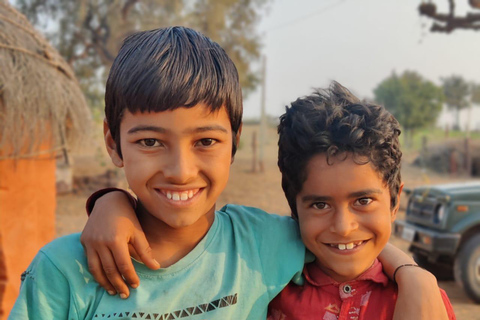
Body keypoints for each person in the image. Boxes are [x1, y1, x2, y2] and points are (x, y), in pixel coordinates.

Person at [11, 26, 448, 319]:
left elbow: (347, 233)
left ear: (234, 140)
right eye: (149, 142)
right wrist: (110, 201)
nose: (181, 171)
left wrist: (414, 276)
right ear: (113, 141)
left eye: (205, 141)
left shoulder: (265, 244)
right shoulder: (63, 272)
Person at [267, 82, 455, 319]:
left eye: (363, 201)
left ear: (394, 203)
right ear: (294, 209)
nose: (344, 228)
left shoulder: (425, 302)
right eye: (320, 205)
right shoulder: (266, 289)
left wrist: (416, 278)